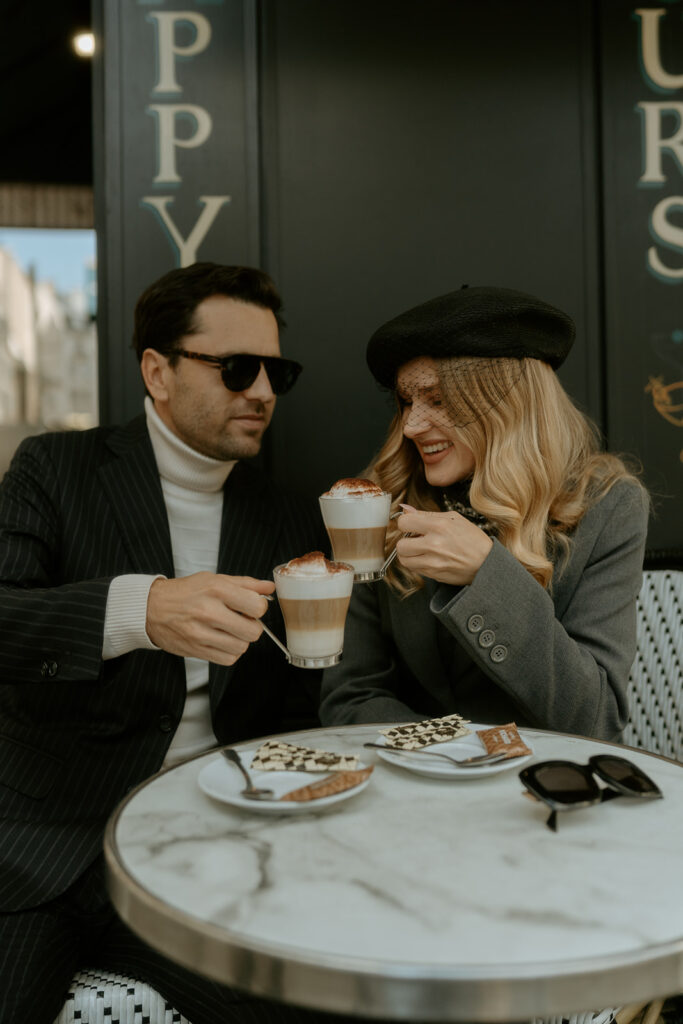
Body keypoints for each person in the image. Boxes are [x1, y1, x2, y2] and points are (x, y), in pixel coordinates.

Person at [0, 262, 329, 1023]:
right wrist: (138, 609)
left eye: (276, 371)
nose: (264, 393)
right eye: (237, 368)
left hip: (200, 853)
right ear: (157, 370)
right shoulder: (55, 469)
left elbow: (295, 711)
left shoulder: (286, 518)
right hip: (41, 848)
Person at [319, 285, 650, 739]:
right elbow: (350, 695)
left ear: (508, 404)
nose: (412, 426)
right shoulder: (380, 502)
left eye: (437, 400)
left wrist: (487, 574)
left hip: (545, 786)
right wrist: (456, 753)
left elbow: (594, 718)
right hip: (415, 784)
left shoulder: (608, 506)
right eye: (406, 401)